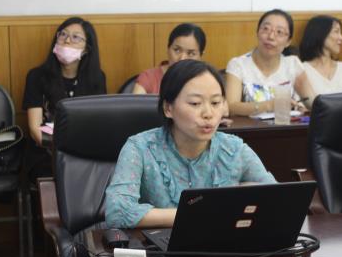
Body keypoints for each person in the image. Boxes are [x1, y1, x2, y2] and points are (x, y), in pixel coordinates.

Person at [105, 59, 275, 229]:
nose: (208, 114)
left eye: (215, 103)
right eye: (195, 103)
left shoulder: (234, 149)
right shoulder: (140, 148)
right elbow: (117, 213)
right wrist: (198, 213)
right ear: (168, 108)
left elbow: (278, 200)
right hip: (159, 243)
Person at [22, 17, 106, 176]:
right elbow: (35, 130)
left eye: (76, 37)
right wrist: (65, 150)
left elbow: (97, 125)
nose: (67, 40)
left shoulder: (97, 78)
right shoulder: (37, 76)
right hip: (46, 153)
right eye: (63, 34)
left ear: (86, 49)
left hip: (83, 152)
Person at [224, 9, 305, 116]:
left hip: (286, 125)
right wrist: (269, 105)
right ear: (257, 32)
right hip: (250, 126)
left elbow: (310, 100)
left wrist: (302, 107)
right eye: (266, 29)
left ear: (288, 42)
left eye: (279, 32)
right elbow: (231, 107)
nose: (271, 37)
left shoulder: (293, 64)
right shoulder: (238, 65)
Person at [294, 15, 342, 110]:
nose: (341, 37)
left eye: (341, 33)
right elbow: (300, 108)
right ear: (321, 34)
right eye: (336, 31)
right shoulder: (301, 70)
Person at [132, 23, 206, 94]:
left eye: (191, 53)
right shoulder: (149, 78)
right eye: (177, 50)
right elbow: (136, 102)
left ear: (201, 56)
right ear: (168, 49)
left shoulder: (207, 80)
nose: (182, 59)